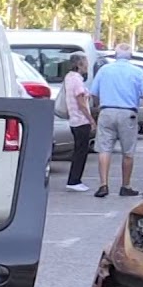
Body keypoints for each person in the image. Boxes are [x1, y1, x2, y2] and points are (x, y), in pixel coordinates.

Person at [88, 44, 143, 198]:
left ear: (115, 55)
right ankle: (125, 185)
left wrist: (98, 106)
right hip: (128, 113)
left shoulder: (104, 70)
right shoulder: (137, 72)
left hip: (107, 111)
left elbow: (94, 93)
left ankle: (103, 184)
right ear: (130, 56)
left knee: (104, 149)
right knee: (128, 152)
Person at [63, 52, 96, 192]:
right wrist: (91, 120)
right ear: (79, 64)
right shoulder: (77, 80)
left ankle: (74, 179)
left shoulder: (69, 77)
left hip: (73, 119)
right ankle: (74, 180)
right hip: (81, 120)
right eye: (85, 62)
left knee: (78, 150)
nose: (87, 65)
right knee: (81, 152)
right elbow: (81, 103)